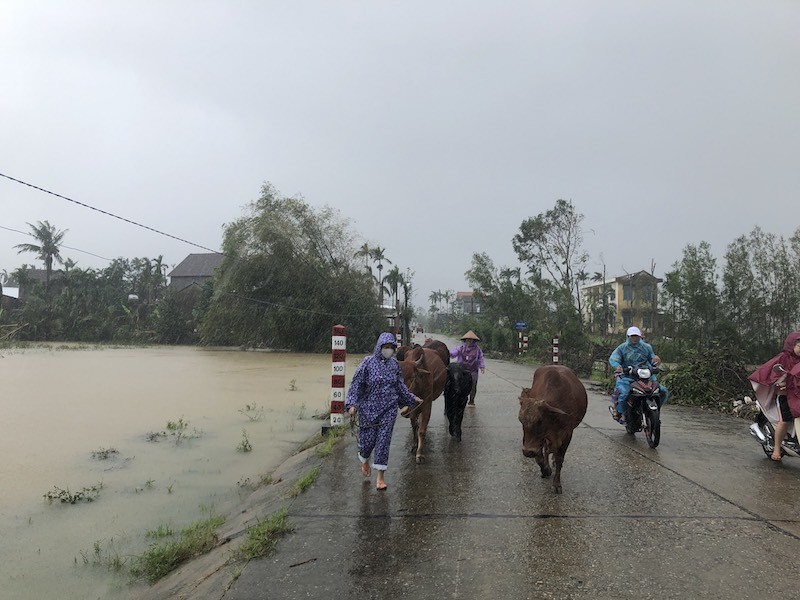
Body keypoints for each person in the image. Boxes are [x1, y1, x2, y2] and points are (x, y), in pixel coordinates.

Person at [346, 332, 422, 490]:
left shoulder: (394, 365)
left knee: (383, 442)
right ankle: (365, 460)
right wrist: (352, 404)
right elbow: (356, 384)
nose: (388, 350)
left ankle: (380, 478)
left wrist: (412, 398)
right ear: (379, 347)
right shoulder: (367, 363)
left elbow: (400, 387)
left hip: (388, 410)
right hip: (368, 410)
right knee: (367, 443)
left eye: (391, 347)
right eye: (385, 347)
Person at [748, 332, 800, 461]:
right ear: (791, 345)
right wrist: (781, 383)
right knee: (784, 421)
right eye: (799, 346)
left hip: (797, 396)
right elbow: (770, 373)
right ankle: (777, 448)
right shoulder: (782, 359)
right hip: (784, 396)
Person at [608, 326, 668, 422]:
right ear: (628, 336)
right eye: (632, 336)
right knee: (624, 393)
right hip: (628, 376)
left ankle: (655, 412)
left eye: (637, 336)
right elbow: (614, 359)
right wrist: (618, 366)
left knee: (663, 391)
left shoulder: (647, 347)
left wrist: (656, 361)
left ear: (640, 337)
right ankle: (622, 413)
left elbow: (652, 359)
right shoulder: (622, 348)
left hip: (646, 376)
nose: (635, 338)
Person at [450, 330, 486, 407]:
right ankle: (461, 399)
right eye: (468, 339)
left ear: (473, 340)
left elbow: (480, 358)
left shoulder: (477, 349)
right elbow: (453, 353)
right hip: (461, 369)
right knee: (461, 385)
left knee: (473, 385)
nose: (469, 341)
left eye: (471, 339)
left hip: (473, 370)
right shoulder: (461, 348)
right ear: (465, 340)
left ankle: (471, 401)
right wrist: (448, 353)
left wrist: (482, 367)